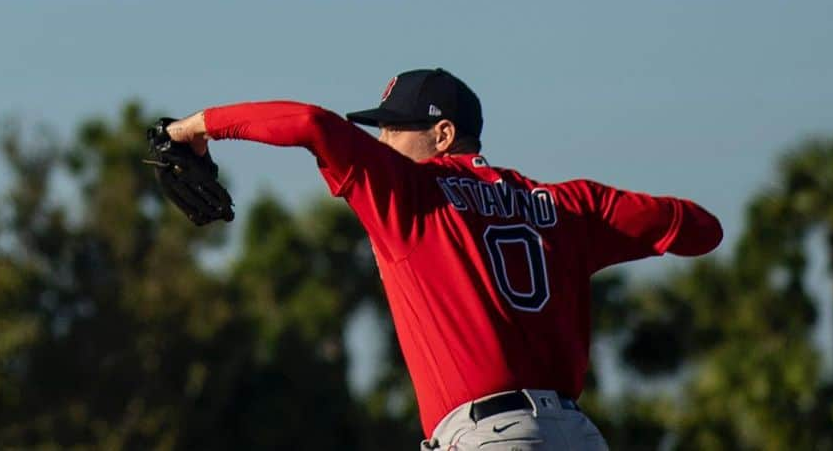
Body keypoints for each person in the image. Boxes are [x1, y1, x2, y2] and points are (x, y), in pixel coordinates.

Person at [165, 67, 723, 450]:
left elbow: (312, 124)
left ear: (443, 133)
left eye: (391, 130)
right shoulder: (568, 205)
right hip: (578, 435)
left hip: (490, 436)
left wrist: (191, 128)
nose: (381, 144)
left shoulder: (412, 194)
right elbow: (702, 230)